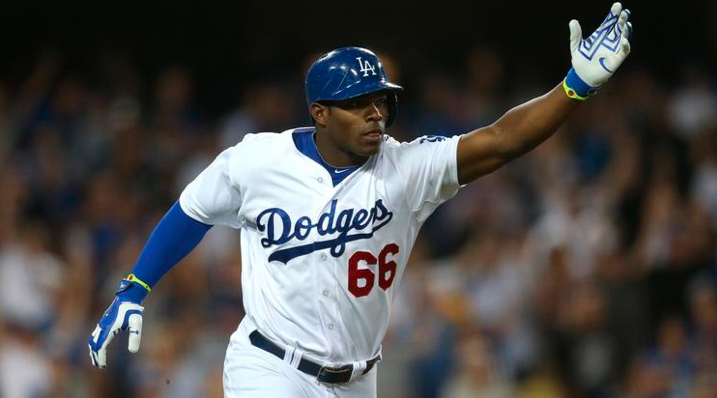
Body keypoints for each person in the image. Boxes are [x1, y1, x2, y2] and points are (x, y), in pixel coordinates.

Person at [88, 3, 633, 397]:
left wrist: (574, 86)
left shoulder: (408, 169)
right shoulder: (257, 161)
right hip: (269, 367)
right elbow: (193, 210)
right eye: (357, 104)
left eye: (380, 101)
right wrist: (136, 285)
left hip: (358, 379)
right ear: (319, 112)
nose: (375, 113)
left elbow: (500, 140)